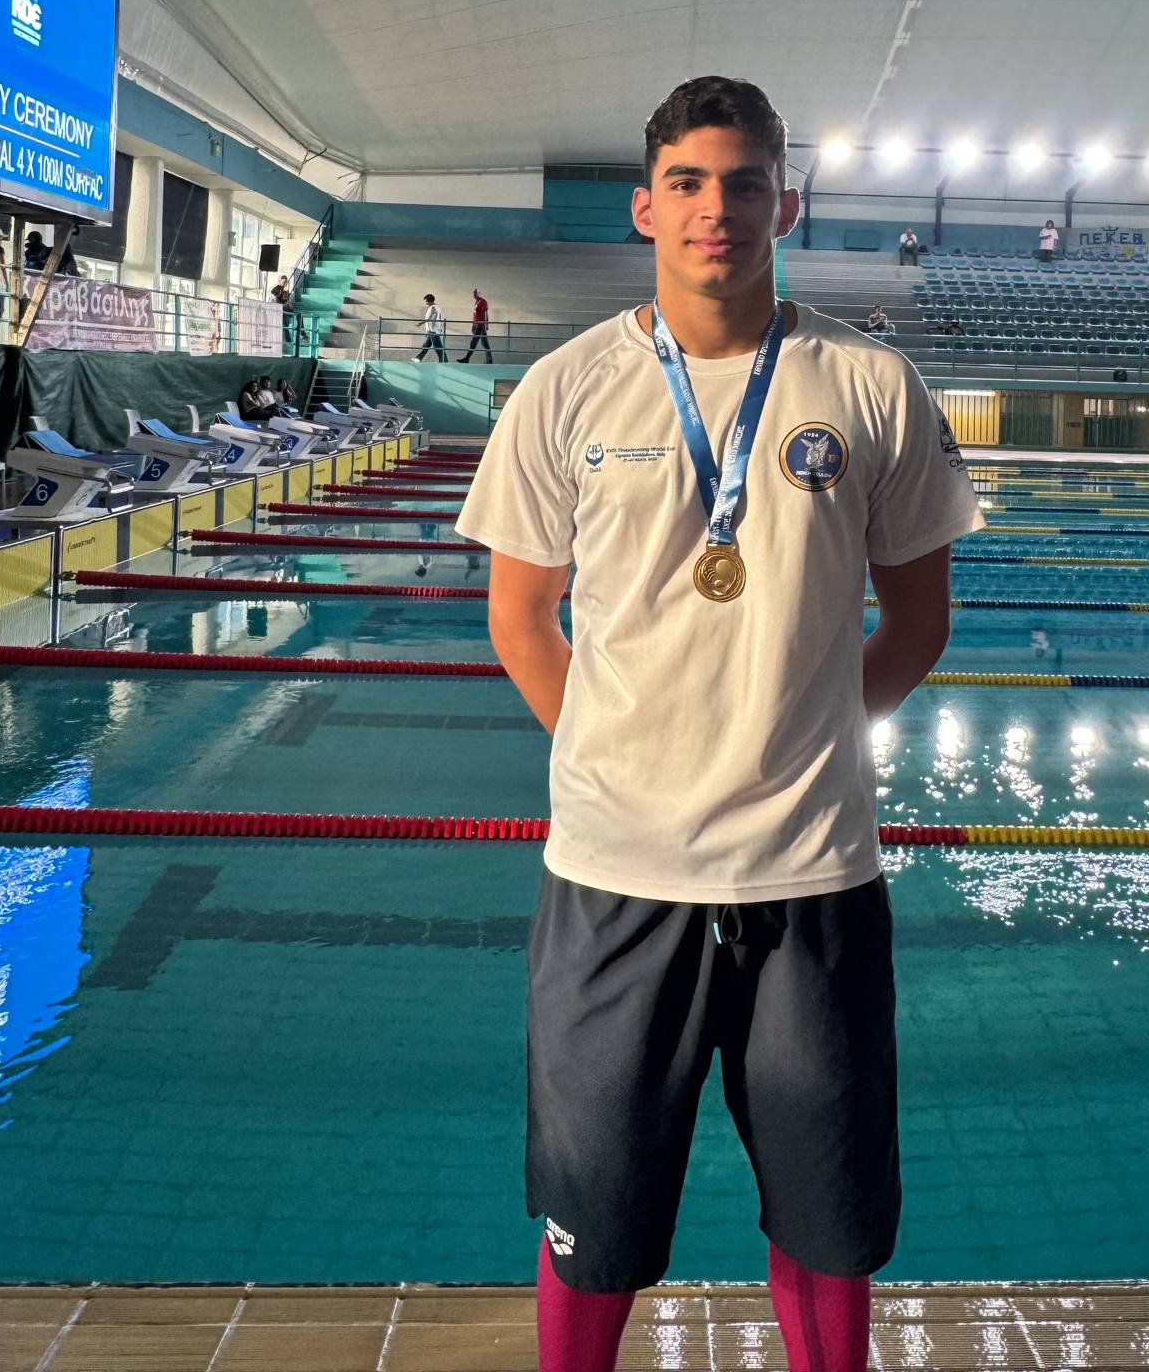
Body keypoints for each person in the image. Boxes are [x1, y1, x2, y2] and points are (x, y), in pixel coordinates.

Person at [456, 75, 983, 1372]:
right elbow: (520, 617)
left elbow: (919, 619)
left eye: (745, 183)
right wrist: (619, 754)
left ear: (783, 205)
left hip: (812, 874)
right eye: (687, 182)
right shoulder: (565, 390)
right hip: (614, 875)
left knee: (829, 1213)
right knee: (591, 1212)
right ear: (645, 206)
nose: (717, 208)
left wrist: (803, 734)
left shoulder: (869, 383)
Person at [458, 287, 492, 363]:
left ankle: (467, 359)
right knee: (483, 344)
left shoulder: (483, 301)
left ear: (479, 293)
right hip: (477, 326)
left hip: (480, 326)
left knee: (475, 343)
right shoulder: (477, 302)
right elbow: (475, 315)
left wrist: (486, 325)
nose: (473, 294)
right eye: (473, 293)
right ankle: (489, 360)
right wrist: (473, 325)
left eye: (475, 293)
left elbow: (485, 313)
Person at [413, 292, 447, 362]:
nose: (425, 303)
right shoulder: (436, 307)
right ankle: (418, 358)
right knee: (426, 345)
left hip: (433, 330)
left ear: (429, 301)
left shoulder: (433, 307)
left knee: (438, 347)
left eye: (426, 301)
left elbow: (429, 318)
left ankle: (444, 361)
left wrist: (421, 323)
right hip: (432, 330)